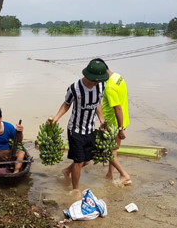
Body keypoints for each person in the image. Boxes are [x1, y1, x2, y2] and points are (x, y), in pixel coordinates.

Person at [49, 59, 108, 192]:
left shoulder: (100, 86)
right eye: (96, 80)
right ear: (89, 77)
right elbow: (66, 104)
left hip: (90, 129)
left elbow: (98, 103)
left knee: (86, 161)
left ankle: (66, 171)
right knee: (78, 161)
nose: (97, 83)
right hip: (75, 130)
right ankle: (75, 190)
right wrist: (56, 118)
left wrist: (102, 120)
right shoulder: (74, 88)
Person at [101, 59, 131, 185]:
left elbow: (117, 108)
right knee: (113, 150)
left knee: (107, 152)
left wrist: (119, 129)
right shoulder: (118, 77)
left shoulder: (109, 87)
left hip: (113, 124)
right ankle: (110, 174)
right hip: (123, 120)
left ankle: (124, 176)